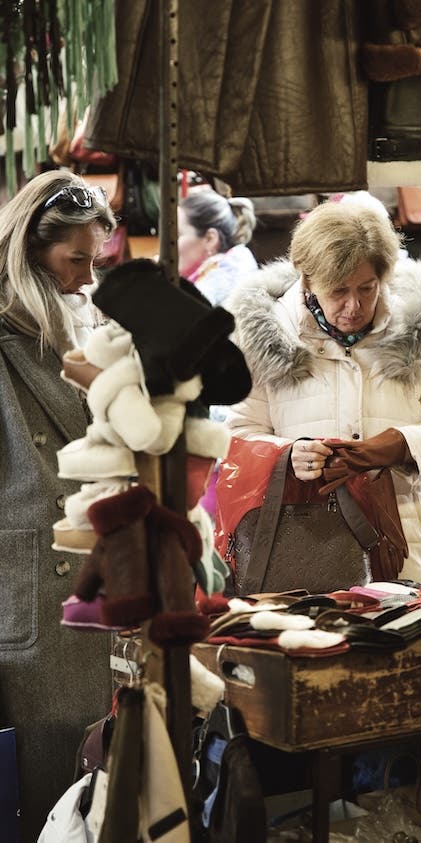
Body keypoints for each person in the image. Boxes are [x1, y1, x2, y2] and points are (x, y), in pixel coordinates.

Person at [225, 199, 421, 585]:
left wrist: (403, 445)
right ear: (307, 280)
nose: (354, 306)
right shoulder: (266, 342)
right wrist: (287, 456)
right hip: (302, 557)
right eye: (338, 291)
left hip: (404, 558)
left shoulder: (415, 339)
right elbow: (235, 443)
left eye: (367, 288)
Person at [0, 169, 117, 841]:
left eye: (95, 258)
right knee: (49, 779)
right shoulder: (7, 336)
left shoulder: (83, 324)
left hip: (96, 575)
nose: (89, 275)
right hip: (33, 579)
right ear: (33, 250)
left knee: (100, 769)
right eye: (77, 260)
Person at [177, 187, 258, 307]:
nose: (169, 243)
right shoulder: (235, 267)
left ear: (210, 239)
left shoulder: (212, 291)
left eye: (178, 234)